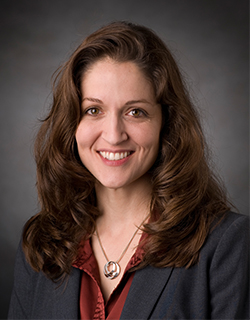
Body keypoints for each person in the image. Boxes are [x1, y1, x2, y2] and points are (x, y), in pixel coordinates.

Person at [8, 21, 249, 320]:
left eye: (136, 112)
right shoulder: (41, 243)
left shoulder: (227, 244)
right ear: (71, 123)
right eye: (93, 110)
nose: (113, 134)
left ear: (166, 123)